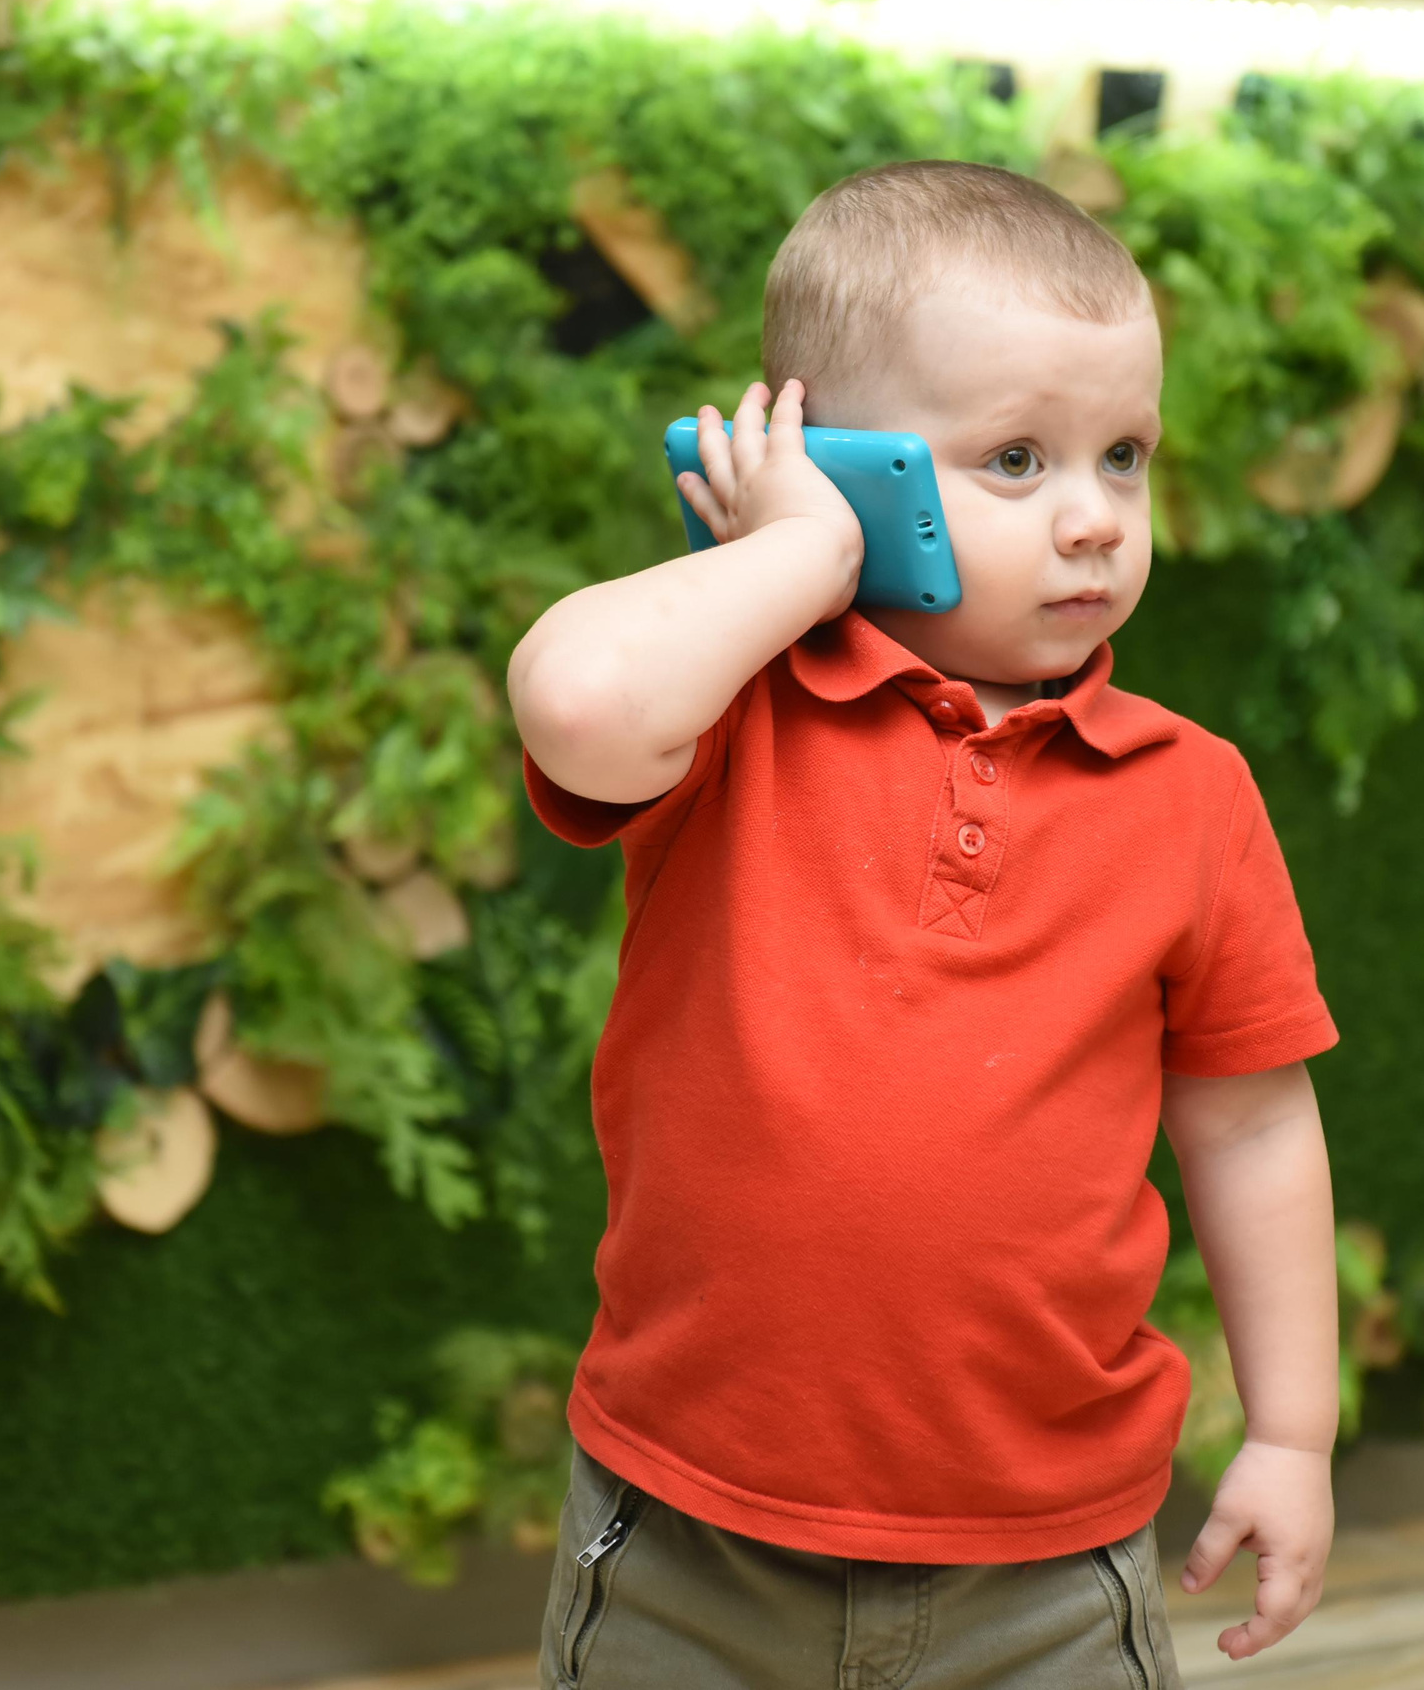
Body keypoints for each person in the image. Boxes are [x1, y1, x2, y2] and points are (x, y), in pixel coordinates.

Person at [506, 158, 1341, 1690]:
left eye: (1126, 455)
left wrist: (1291, 1430)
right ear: (837, 460)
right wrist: (796, 559)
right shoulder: (734, 712)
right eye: (1017, 458)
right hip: (693, 1538)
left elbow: (1254, 1125)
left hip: (1047, 1569)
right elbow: (575, 704)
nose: (1094, 517)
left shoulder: (1191, 793)